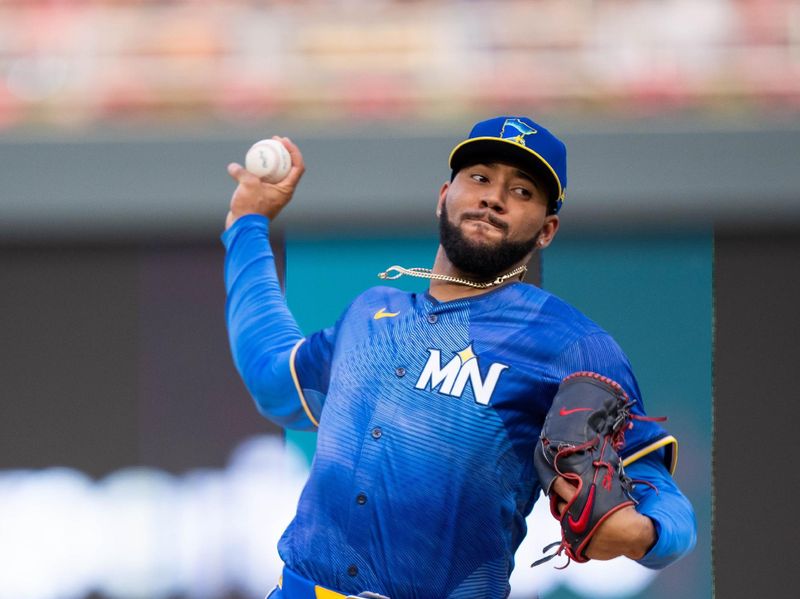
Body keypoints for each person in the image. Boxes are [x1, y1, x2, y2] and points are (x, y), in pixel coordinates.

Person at [221, 116, 697, 599]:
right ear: (443, 195)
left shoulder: (571, 346)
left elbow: (665, 500)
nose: (494, 197)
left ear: (547, 230)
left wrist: (645, 533)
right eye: (480, 177)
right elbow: (273, 377)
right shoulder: (369, 316)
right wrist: (246, 225)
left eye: (523, 191)